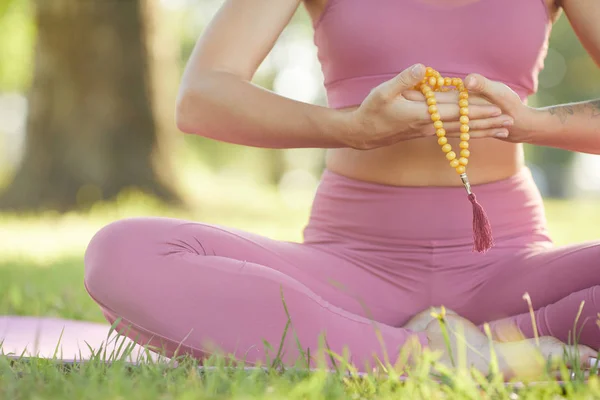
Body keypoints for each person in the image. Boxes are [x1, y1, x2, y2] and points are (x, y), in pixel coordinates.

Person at [83, 0, 600, 377]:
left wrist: (537, 124)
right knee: (122, 254)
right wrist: (351, 127)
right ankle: (457, 356)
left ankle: (483, 342)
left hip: (510, 273)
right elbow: (201, 97)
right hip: (350, 274)